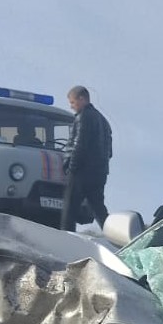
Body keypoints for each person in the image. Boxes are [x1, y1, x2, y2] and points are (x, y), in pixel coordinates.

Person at [61, 85, 112, 230]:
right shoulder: (103, 121)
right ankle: (115, 235)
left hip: (81, 171)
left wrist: (72, 167)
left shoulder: (84, 116)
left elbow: (79, 144)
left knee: (69, 208)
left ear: (82, 99)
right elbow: (110, 151)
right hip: (99, 173)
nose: (71, 106)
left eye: (72, 102)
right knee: (98, 208)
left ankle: (65, 240)